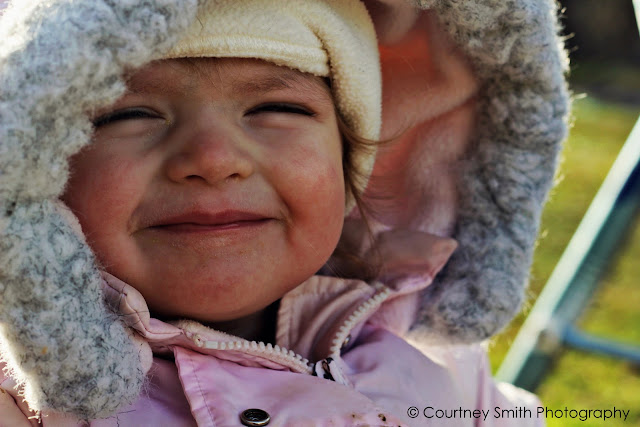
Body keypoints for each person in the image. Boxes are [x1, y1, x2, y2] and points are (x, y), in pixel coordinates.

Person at [0, 0, 569, 425]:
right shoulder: (27, 403)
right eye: (128, 115)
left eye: (276, 107)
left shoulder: (440, 367)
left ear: (351, 167)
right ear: (36, 171)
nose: (213, 159)